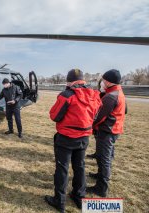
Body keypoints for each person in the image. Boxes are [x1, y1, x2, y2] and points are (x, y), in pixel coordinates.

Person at [45, 69, 101, 212]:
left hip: (66, 138)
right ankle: (79, 196)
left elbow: (54, 115)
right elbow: (96, 115)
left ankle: (60, 200)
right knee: (80, 167)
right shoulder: (95, 94)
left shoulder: (67, 95)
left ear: (69, 81)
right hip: (84, 137)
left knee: (62, 169)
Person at [87, 69, 127, 197]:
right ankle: (100, 175)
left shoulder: (111, 96)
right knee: (105, 156)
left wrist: (89, 124)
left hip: (107, 131)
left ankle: (101, 188)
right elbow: (125, 109)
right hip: (114, 129)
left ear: (109, 82)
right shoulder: (118, 92)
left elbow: (99, 116)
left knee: (104, 158)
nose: (102, 82)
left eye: (104, 80)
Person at [86, 79, 106, 159]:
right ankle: (98, 153)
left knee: (105, 144)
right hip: (97, 120)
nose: (101, 87)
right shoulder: (100, 93)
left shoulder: (109, 96)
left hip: (102, 121)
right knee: (98, 139)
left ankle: (103, 156)